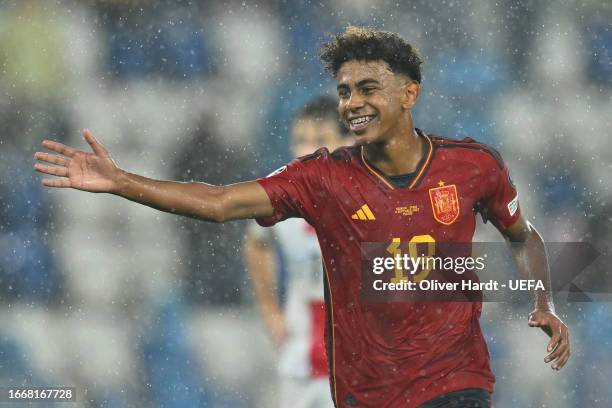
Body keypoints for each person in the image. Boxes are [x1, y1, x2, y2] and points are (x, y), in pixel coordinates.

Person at [34, 26, 570, 408]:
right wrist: (123, 182)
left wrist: (545, 303)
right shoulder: (321, 178)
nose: (352, 103)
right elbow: (222, 204)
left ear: (410, 93)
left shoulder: (473, 165)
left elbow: (523, 236)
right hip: (366, 392)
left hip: (457, 382)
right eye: (344, 92)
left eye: (367, 88)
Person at [244, 95, 349, 408]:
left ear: (347, 143)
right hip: (300, 361)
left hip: (357, 366)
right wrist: (269, 310)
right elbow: (256, 241)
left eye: (320, 140)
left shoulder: (371, 196)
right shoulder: (280, 194)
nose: (308, 150)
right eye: (300, 141)